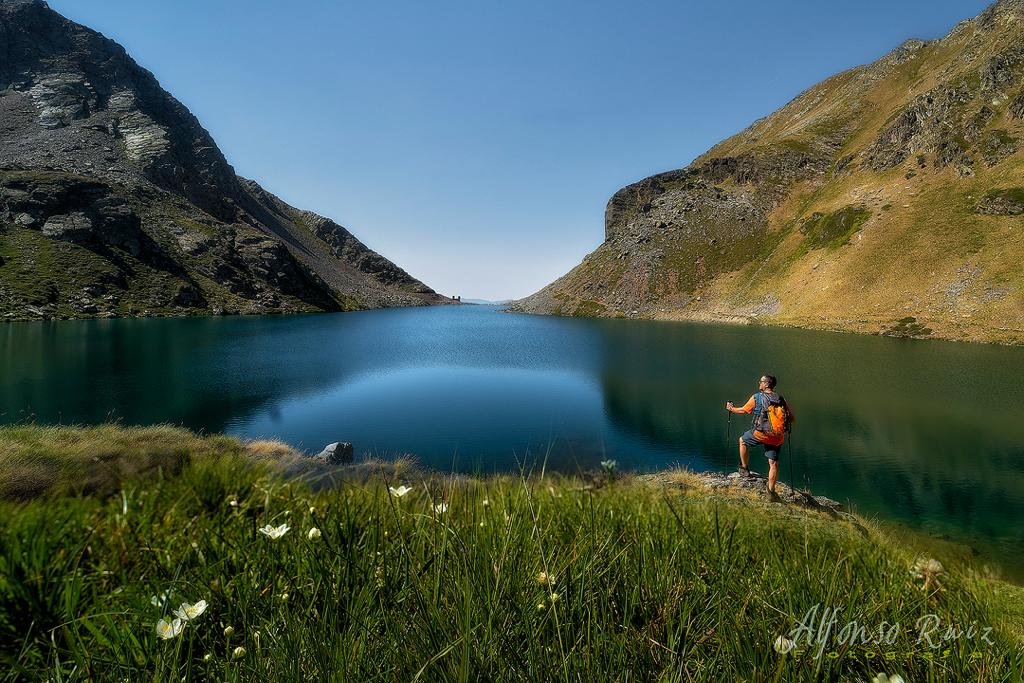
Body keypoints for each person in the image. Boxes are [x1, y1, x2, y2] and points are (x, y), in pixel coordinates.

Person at [725, 374, 794, 499]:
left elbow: (744, 410)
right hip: (777, 436)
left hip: (761, 433)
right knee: (773, 464)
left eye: (761, 381)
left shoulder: (757, 397)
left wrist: (731, 408)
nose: (759, 383)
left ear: (766, 384)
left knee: (742, 440)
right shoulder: (781, 399)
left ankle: (744, 469)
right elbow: (792, 418)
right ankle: (771, 492)